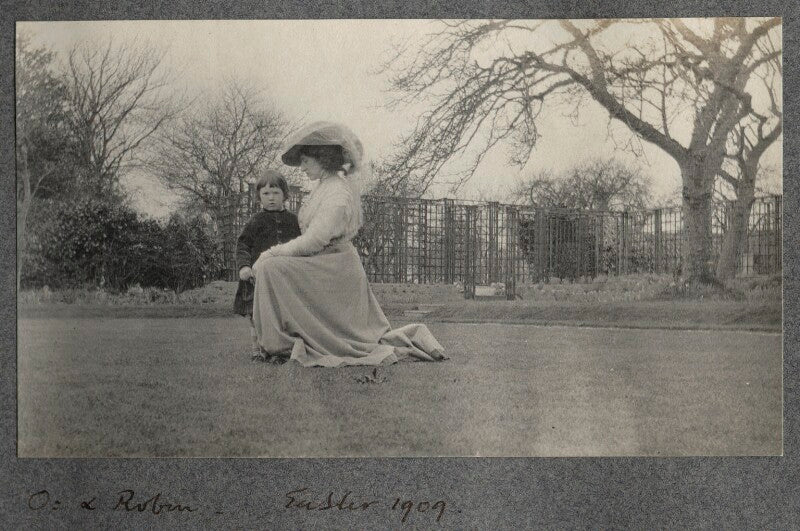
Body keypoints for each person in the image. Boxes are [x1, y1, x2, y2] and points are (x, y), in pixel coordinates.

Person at [251, 121, 446, 367]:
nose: (302, 167)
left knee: (271, 267)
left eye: (306, 161)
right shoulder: (323, 187)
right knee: (272, 268)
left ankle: (281, 344)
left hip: (336, 269)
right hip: (323, 263)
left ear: (322, 159)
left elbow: (314, 240)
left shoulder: (338, 194)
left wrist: (269, 254)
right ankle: (278, 341)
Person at [234, 169, 301, 362]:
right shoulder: (255, 221)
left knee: (282, 314)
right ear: (259, 197)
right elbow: (243, 244)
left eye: (276, 193)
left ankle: (281, 350)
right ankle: (258, 350)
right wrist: (244, 266)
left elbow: (301, 245)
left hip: (284, 279)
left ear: (285, 195)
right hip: (257, 278)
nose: (271, 198)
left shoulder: (294, 221)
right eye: (266, 194)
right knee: (257, 315)